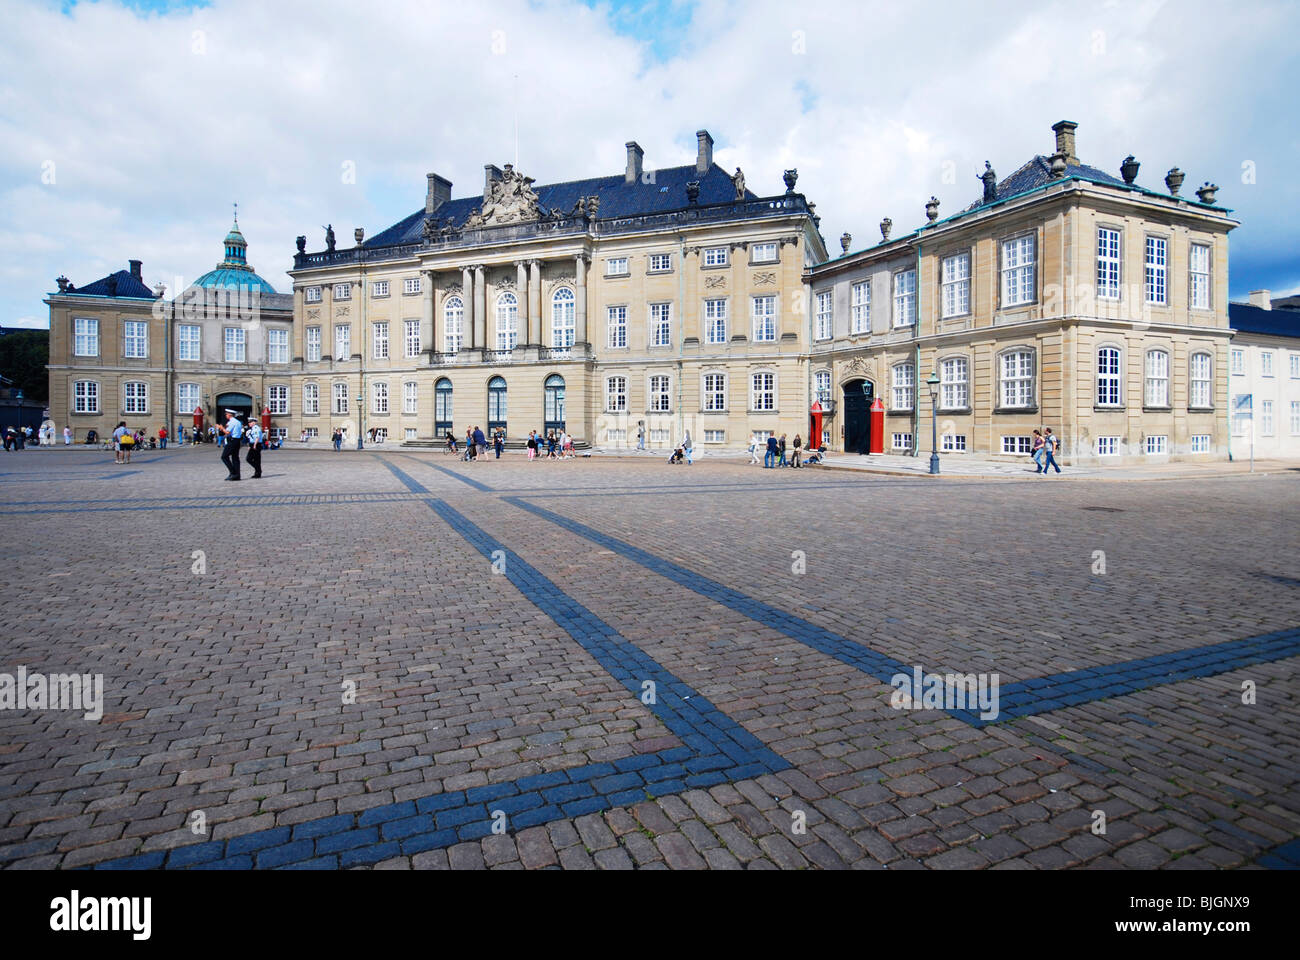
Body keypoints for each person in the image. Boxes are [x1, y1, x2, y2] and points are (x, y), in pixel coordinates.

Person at [219, 410, 243, 480]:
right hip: (237, 440)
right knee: (235, 458)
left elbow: (227, 432)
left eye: (226, 414)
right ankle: (237, 475)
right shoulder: (238, 422)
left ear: (230, 415)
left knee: (224, 456)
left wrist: (221, 428)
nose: (225, 415)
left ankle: (233, 472)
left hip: (232, 441)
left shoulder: (232, 422)